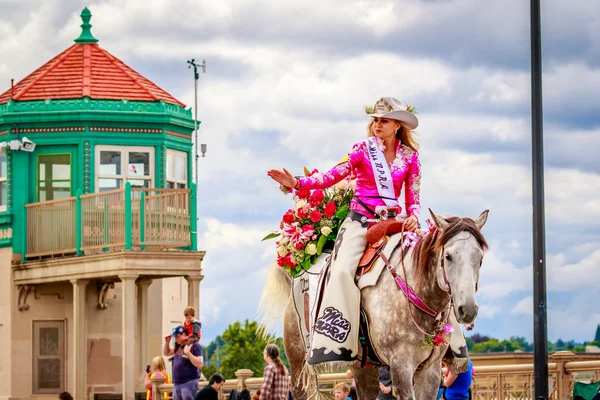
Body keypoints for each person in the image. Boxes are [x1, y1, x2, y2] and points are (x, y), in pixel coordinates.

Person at [268, 97, 421, 364]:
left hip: (394, 223)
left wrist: (414, 218)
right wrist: (296, 183)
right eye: (375, 119)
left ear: (398, 125)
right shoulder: (363, 150)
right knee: (340, 272)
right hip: (360, 222)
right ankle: (341, 341)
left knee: (431, 262)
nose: (377, 125)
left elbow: (414, 199)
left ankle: (448, 344)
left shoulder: (411, 158)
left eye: (383, 120)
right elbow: (331, 176)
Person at [163, 325, 204, 400]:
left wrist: (188, 353)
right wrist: (167, 342)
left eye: (177, 336)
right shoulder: (179, 347)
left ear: (184, 335)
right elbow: (166, 352)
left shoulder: (194, 345)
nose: (175, 339)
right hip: (177, 384)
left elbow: (200, 363)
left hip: (189, 383)